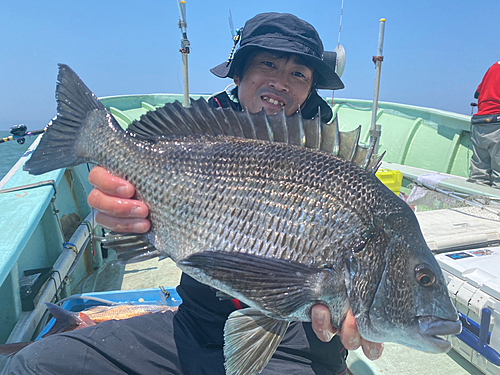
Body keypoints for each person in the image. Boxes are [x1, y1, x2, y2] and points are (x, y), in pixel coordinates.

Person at [8, 13, 383, 375]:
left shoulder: (329, 164)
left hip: (294, 341)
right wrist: (128, 217)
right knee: (36, 363)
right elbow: (141, 219)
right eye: (267, 64)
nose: (281, 82)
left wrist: (371, 302)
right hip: (193, 325)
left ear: (309, 90)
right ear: (238, 73)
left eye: (298, 73)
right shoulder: (201, 139)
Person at [469, 60, 500, 188]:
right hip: (497, 124)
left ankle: (476, 205)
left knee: (479, 175)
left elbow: (477, 94)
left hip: (480, 122)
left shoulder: (493, 67)